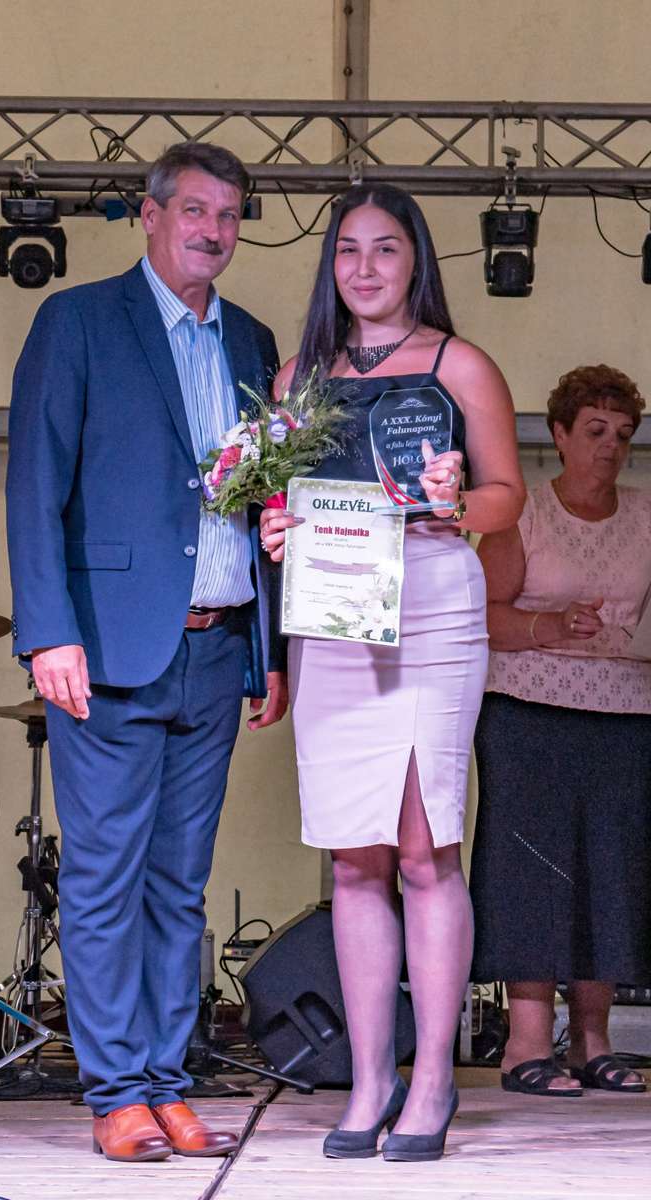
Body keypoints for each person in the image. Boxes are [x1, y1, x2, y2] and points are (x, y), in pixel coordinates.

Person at [5, 141, 288, 1163]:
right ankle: (116, 1091)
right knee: (103, 879)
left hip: (218, 647)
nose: (214, 230)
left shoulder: (251, 340)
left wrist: (269, 650)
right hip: (109, 648)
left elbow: (260, 502)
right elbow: (34, 483)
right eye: (196, 210)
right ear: (151, 214)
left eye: (230, 215)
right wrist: (47, 631)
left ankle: (169, 1082)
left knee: (179, 883)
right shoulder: (78, 320)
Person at [260, 184, 525, 1163]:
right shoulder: (298, 375)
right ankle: (370, 1079)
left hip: (430, 602)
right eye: (347, 250)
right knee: (352, 858)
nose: (363, 267)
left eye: (383, 248)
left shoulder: (460, 364)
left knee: (422, 850)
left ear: (415, 259)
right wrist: (276, 527)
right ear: (329, 265)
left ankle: (432, 1078)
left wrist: (460, 500)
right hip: (333, 613)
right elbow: (276, 498)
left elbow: (507, 497)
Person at [470, 364, 650, 1097]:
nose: (611, 447)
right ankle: (525, 1046)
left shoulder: (647, 516)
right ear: (561, 434)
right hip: (527, 713)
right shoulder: (524, 514)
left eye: (624, 434)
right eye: (596, 430)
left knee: (613, 871)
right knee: (532, 872)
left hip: (627, 715)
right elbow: (477, 613)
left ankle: (594, 1042)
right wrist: (548, 625)